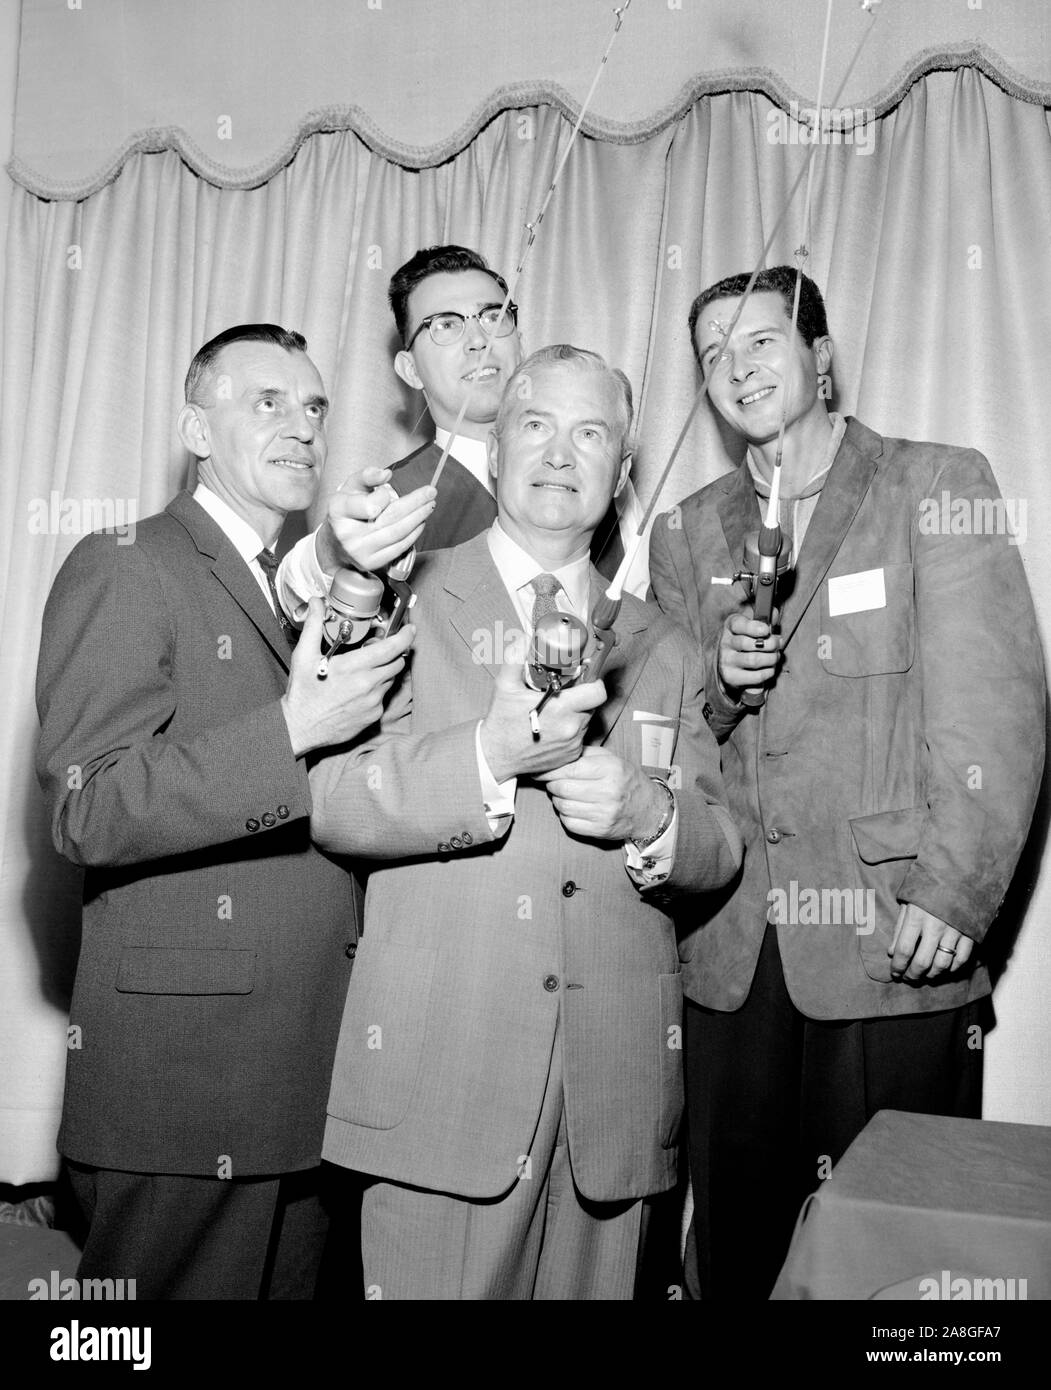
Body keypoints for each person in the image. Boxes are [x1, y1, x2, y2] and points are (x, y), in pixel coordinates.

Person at [304, 345, 743, 1299]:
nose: (558, 453)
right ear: (493, 453)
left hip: (611, 1106)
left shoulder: (661, 642)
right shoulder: (396, 600)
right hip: (438, 1081)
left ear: (622, 473)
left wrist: (649, 813)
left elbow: (721, 843)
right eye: (534, 425)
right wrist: (485, 762)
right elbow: (331, 798)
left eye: (590, 433)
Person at [648, 267, 1046, 1300]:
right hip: (728, 957)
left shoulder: (934, 482)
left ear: (820, 358)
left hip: (890, 942)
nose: (735, 370)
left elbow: (995, 709)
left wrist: (953, 891)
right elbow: (662, 741)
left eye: (759, 343)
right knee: (737, 1250)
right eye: (712, 356)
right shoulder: (686, 531)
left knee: (889, 1264)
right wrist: (722, 692)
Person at [35, 323, 424, 1299]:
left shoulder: (291, 589)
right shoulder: (126, 561)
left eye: (314, 407)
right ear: (194, 429)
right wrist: (290, 728)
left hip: (296, 1071)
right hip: (186, 1086)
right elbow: (89, 804)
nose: (301, 426)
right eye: (267, 402)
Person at [277, 245, 649, 612]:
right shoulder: (389, 501)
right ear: (410, 369)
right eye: (446, 325)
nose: (478, 342)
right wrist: (328, 551)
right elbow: (295, 599)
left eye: (492, 316)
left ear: (519, 340)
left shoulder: (600, 474)